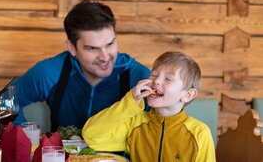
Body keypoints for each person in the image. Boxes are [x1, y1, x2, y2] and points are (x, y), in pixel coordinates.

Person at [12, 0, 150, 131]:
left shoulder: (138, 76)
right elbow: (7, 102)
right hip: (64, 154)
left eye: (110, 44)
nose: (105, 57)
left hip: (119, 156)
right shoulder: (51, 72)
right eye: (92, 48)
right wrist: (25, 140)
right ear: (72, 47)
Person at [82, 51, 216, 162]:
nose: (156, 81)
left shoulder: (199, 133)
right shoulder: (134, 124)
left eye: (168, 79)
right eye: (154, 75)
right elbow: (91, 136)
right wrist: (130, 103)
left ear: (187, 95)